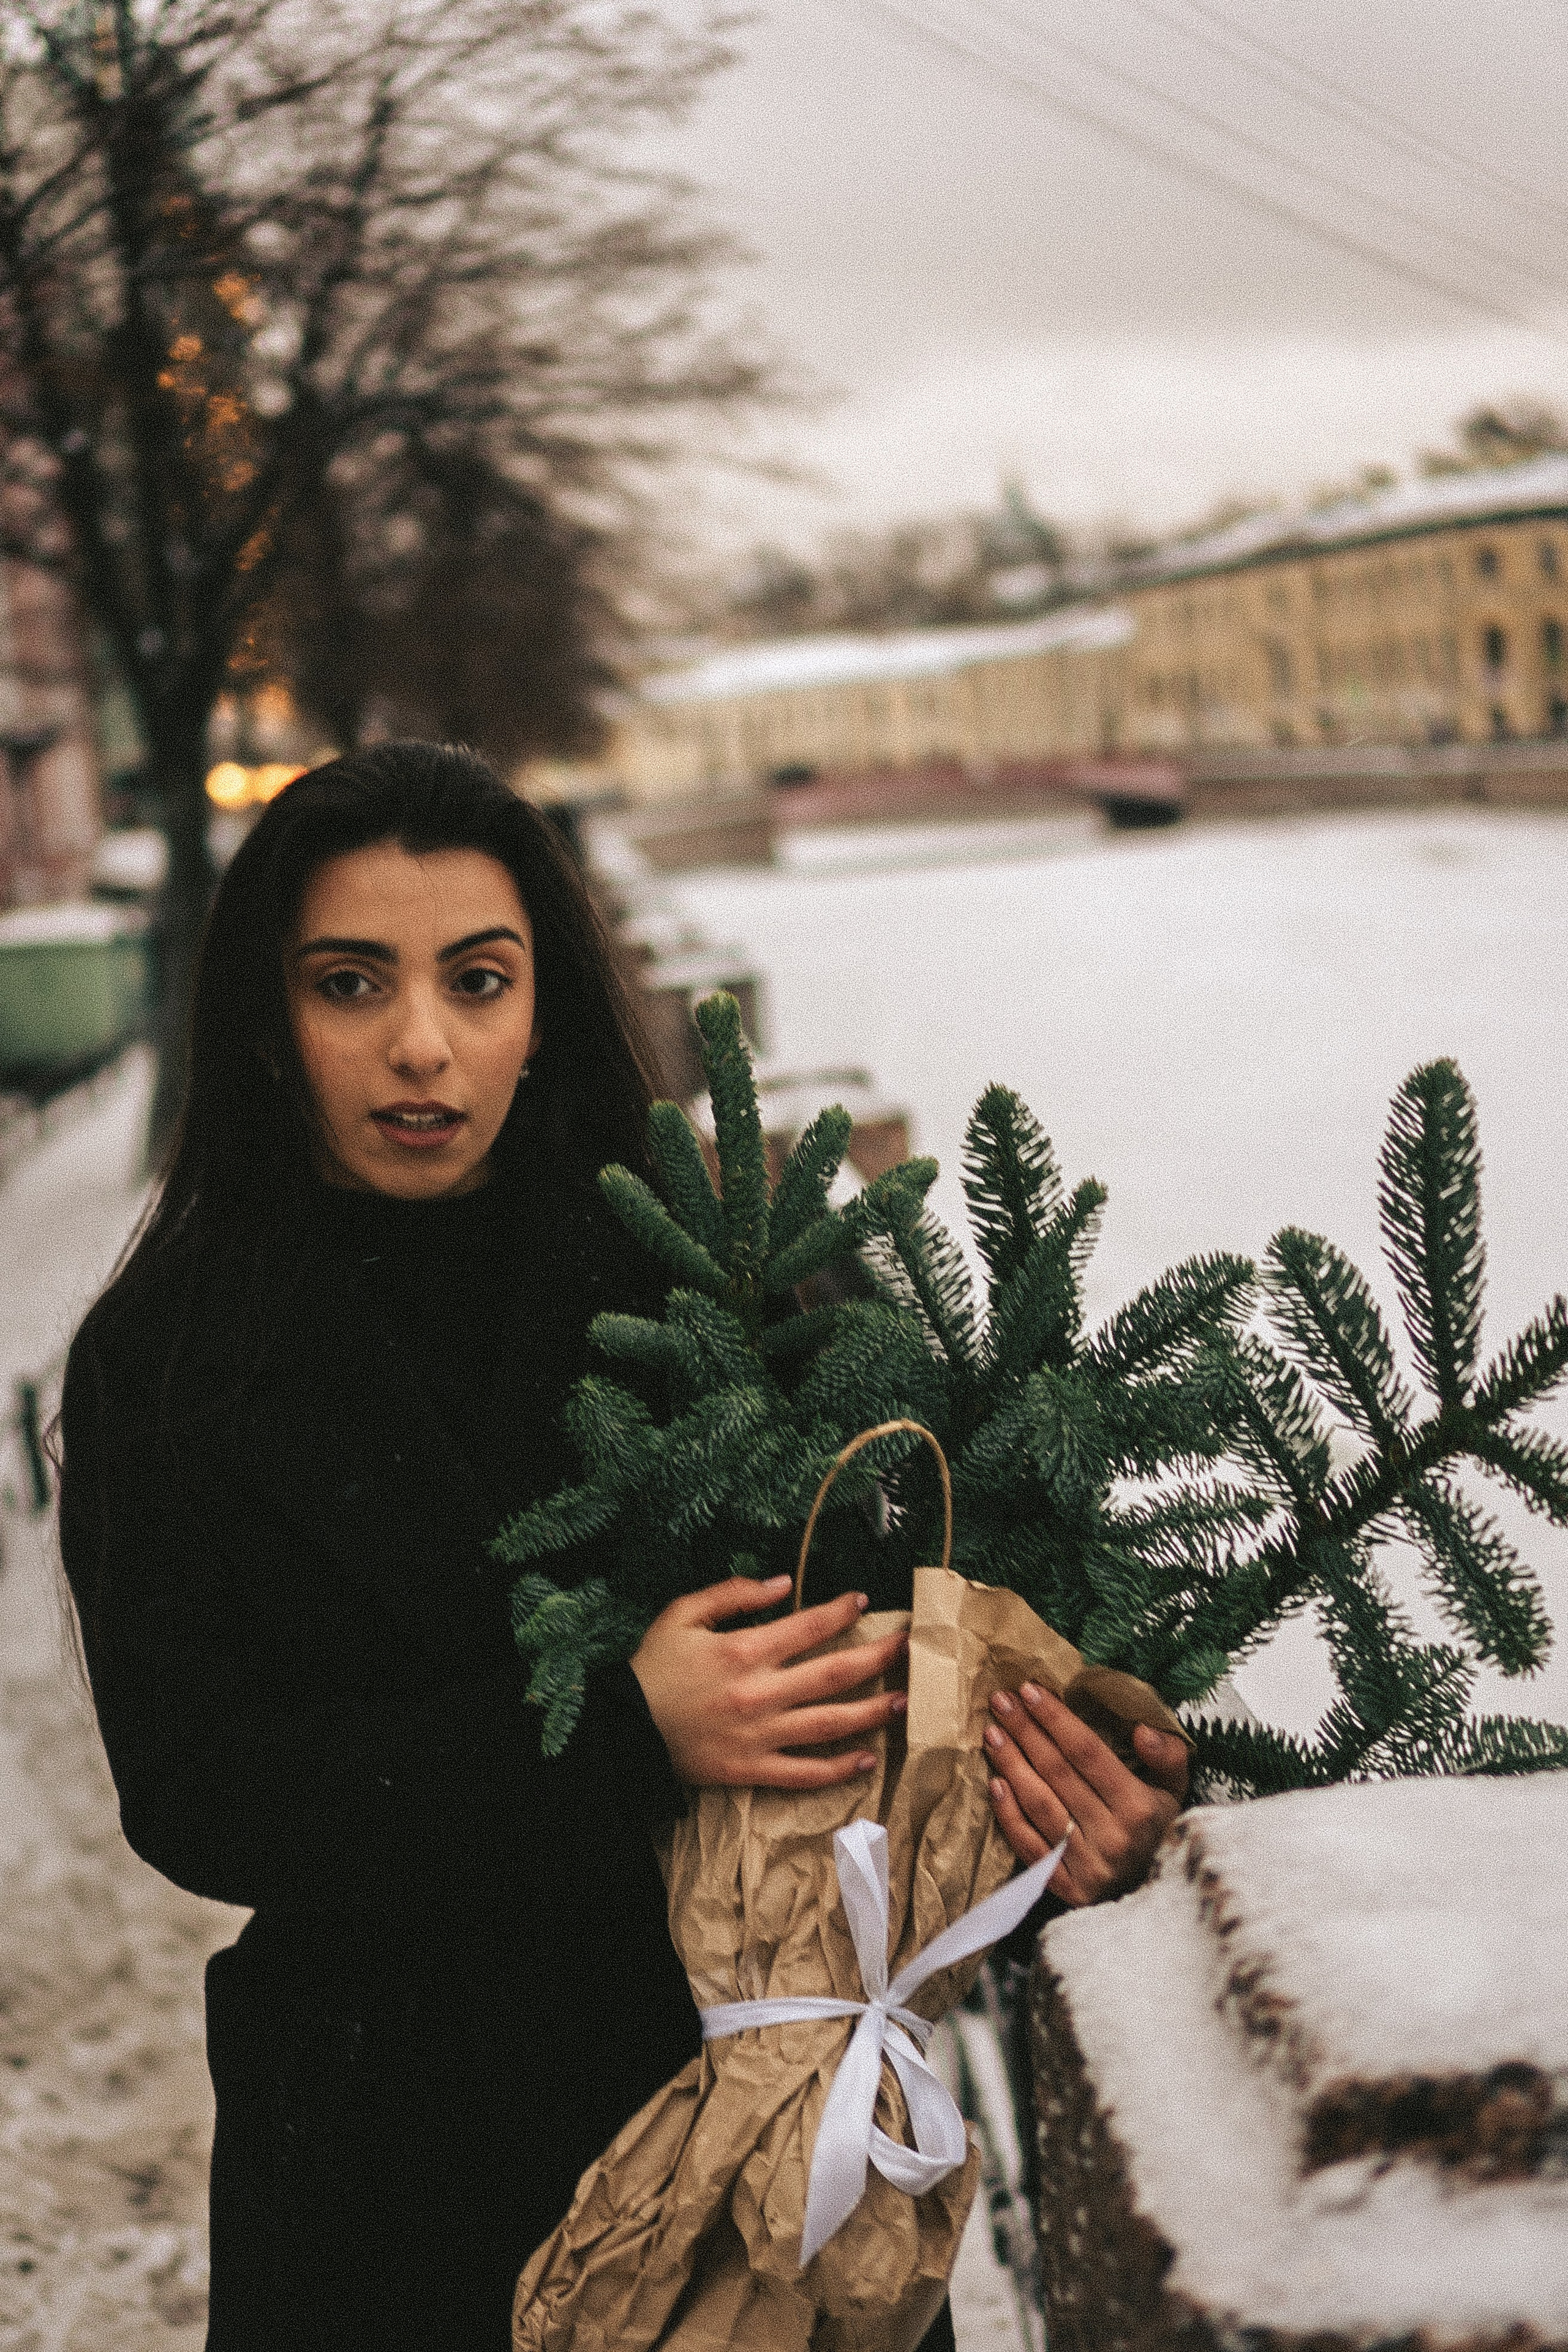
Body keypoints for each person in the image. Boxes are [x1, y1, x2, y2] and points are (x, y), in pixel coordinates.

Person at [59, 743, 1187, 2351]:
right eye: (350, 984)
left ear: (548, 1003)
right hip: (393, 2167)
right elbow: (204, 1795)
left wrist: (1085, 1760)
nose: (423, 1046)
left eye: (480, 978)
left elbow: (913, 1667)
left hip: (747, 2118)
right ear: (266, 1014)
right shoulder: (168, 1358)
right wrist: (623, 1735)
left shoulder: (708, 1291)